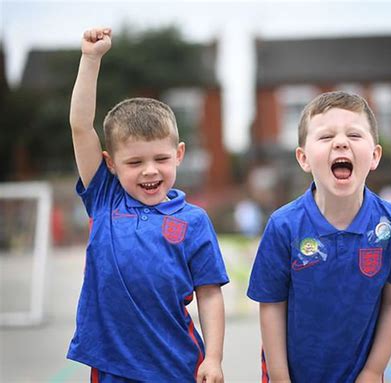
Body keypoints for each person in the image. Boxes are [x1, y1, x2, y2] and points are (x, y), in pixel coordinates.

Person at [66, 28, 229, 383]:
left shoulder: (194, 221)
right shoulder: (104, 197)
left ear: (179, 155)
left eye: (160, 158)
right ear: (110, 163)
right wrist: (90, 60)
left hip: (177, 365)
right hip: (113, 365)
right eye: (135, 162)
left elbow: (210, 295)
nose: (150, 170)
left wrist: (214, 358)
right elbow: (80, 126)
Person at [247, 91, 391, 383]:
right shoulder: (283, 226)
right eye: (326, 136)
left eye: (354, 135)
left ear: (375, 156)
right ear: (303, 158)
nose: (341, 142)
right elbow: (271, 307)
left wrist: (373, 370)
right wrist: (280, 378)